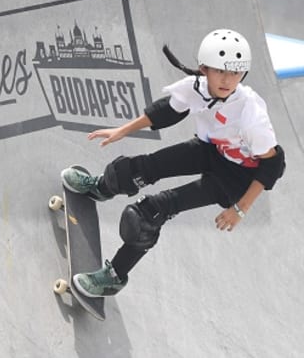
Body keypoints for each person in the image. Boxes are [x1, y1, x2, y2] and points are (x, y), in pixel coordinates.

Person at [61, 29, 286, 298]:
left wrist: (240, 209)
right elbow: (166, 112)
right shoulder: (199, 87)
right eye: (220, 72)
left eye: (235, 73)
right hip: (211, 150)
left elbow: (273, 165)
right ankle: (101, 187)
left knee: (151, 212)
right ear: (204, 69)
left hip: (235, 179)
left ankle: (114, 277)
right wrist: (122, 130)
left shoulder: (251, 115)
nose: (228, 80)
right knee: (143, 167)